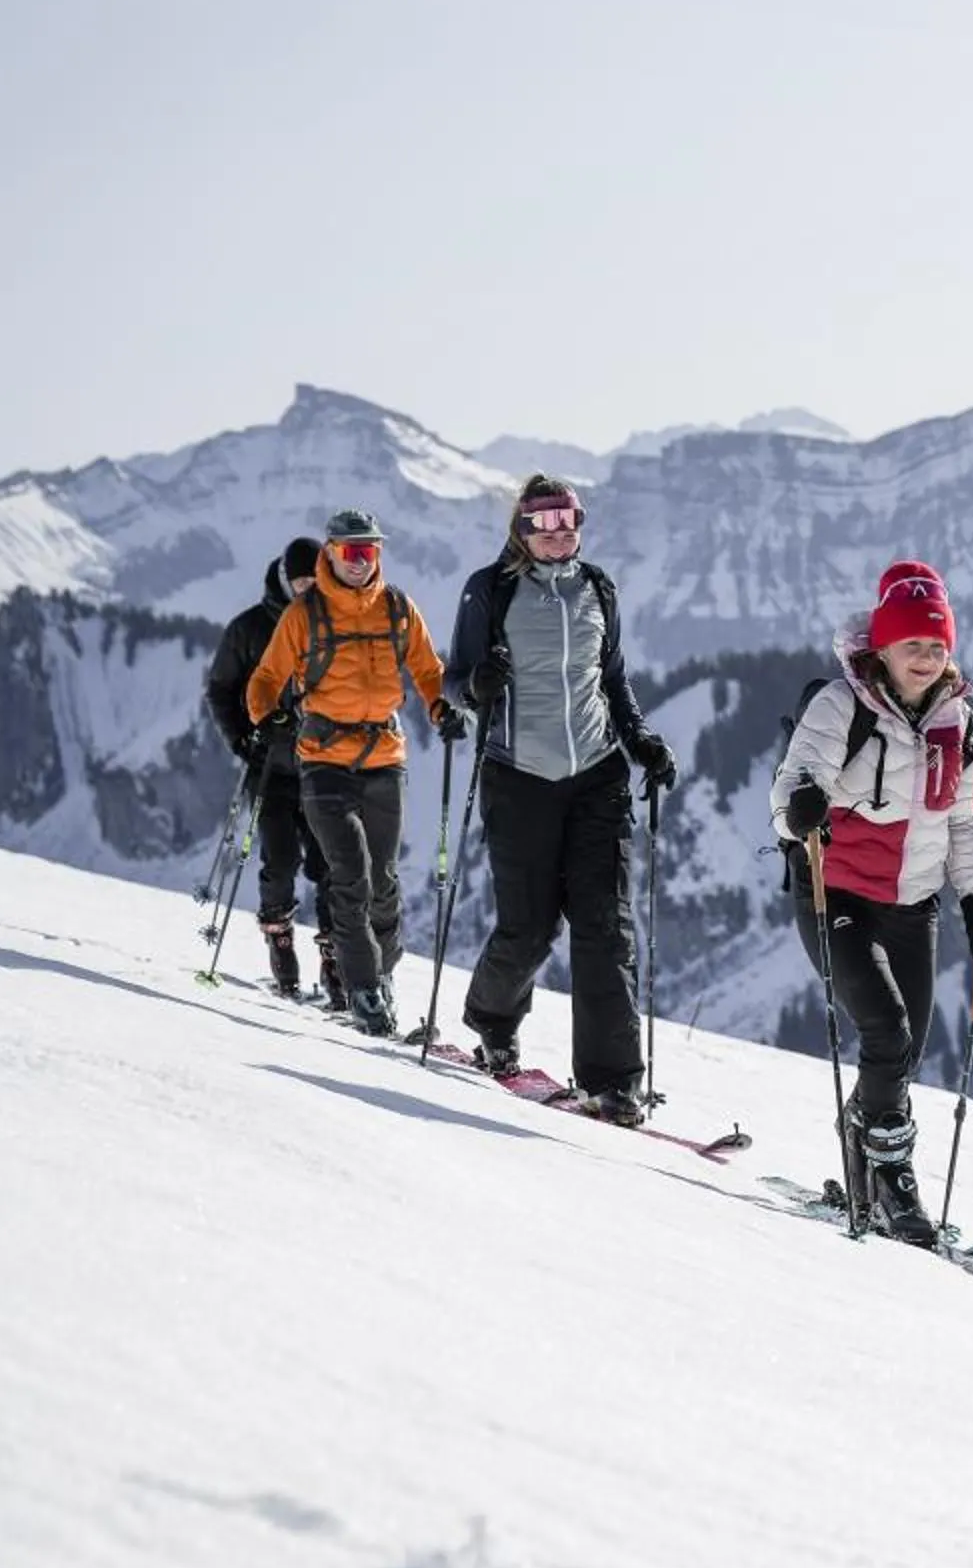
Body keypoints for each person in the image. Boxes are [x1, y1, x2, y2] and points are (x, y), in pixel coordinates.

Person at [770, 560, 973, 1245]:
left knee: (902, 1057)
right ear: (884, 647)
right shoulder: (840, 706)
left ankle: (863, 1161)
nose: (928, 658)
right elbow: (789, 793)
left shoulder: (960, 727)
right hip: (834, 892)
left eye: (937, 646)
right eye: (914, 646)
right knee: (885, 1031)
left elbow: (968, 826)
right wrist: (802, 811)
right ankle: (896, 1185)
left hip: (913, 905)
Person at [443, 475, 678, 1121]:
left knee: (606, 928)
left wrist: (643, 742)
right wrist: (477, 686)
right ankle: (493, 1019)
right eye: (544, 523)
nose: (559, 535)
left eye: (569, 522)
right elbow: (454, 681)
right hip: (517, 777)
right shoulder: (489, 590)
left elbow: (614, 679)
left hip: (597, 776)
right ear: (522, 527)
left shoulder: (598, 588)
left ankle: (614, 1080)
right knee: (530, 928)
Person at [245, 507, 464, 1037]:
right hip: (323, 759)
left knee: (384, 882)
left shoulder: (397, 608)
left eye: (369, 551)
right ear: (331, 553)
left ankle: (381, 975)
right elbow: (268, 676)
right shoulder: (306, 612)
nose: (361, 562)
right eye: (350, 551)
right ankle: (362, 990)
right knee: (350, 875)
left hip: (385, 757)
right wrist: (266, 714)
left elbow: (428, 669)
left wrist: (441, 708)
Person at [203, 537, 341, 1003]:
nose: (307, 590)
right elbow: (221, 688)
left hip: (326, 766)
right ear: (285, 579)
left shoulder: (335, 623)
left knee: (330, 866)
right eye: (300, 581)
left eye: (315, 582)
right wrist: (242, 740)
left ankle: (333, 953)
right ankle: (279, 934)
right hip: (271, 767)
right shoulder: (250, 628)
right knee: (280, 858)